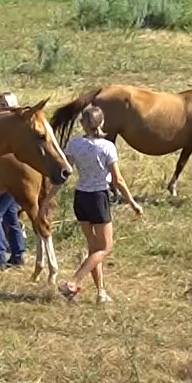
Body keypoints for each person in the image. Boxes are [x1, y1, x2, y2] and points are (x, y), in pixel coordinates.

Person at [59, 104, 143, 303]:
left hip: (80, 197)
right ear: (102, 123)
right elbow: (118, 180)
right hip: (98, 198)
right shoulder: (107, 147)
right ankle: (73, 281)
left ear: (82, 123)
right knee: (104, 248)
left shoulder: (73, 144)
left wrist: (47, 199)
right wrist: (132, 202)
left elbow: (65, 174)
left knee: (93, 248)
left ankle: (101, 292)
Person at [0, 91, 26, 269]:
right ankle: (17, 254)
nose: (0, 107)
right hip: (5, 176)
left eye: (4, 104)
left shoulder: (12, 128)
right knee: (10, 216)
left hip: (10, 176)